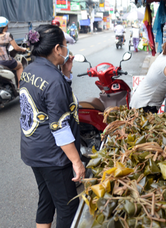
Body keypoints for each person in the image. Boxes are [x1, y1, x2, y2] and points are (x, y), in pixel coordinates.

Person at [19, 24, 85, 228]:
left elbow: (45, 104)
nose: (67, 51)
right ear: (57, 49)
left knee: (46, 200)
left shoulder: (28, 69)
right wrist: (76, 161)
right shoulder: (53, 80)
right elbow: (60, 127)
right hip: (53, 156)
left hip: (33, 151)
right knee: (68, 208)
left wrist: (66, 74)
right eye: (65, 46)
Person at [0, 16, 28, 88]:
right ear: (4, 27)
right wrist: (23, 49)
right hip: (5, 61)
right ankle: (20, 87)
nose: (7, 27)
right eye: (7, 26)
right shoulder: (8, 35)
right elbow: (16, 48)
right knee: (20, 66)